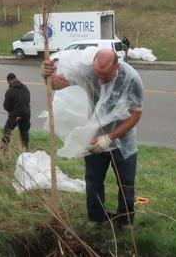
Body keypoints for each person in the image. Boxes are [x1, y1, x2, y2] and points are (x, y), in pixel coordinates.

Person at [41, 48, 144, 230]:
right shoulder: (87, 70)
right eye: (98, 75)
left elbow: (135, 115)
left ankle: (125, 219)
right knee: (93, 179)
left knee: (126, 181)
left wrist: (110, 138)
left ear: (117, 66)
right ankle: (96, 217)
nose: (101, 80)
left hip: (122, 138)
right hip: (95, 136)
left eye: (106, 76)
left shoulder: (131, 78)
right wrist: (46, 75)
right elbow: (57, 84)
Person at [1, 73, 31, 151]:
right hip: (26, 113)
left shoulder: (10, 91)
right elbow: (28, 99)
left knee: (7, 131)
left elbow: (6, 106)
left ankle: (4, 149)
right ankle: (26, 149)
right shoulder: (25, 88)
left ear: (9, 80)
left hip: (15, 115)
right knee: (24, 132)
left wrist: (12, 112)